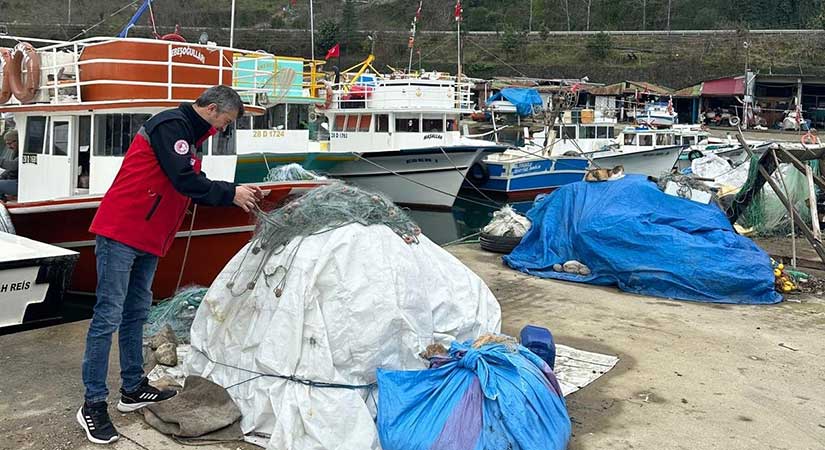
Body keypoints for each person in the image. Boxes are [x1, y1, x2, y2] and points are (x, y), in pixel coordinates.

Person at [77, 86, 264, 445]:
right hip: (122, 232)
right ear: (211, 109)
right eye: (225, 122)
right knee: (107, 316)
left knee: (136, 313)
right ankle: (93, 404)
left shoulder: (192, 135)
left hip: (149, 238)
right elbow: (183, 179)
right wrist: (231, 192)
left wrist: (238, 192)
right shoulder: (170, 126)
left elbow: (190, 184)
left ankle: (132, 387)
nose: (224, 129)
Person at [0, 129, 18, 200]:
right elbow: (10, 170)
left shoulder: (23, 151)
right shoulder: (16, 152)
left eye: (10, 143)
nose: (9, 147)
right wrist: (2, 176)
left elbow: (13, 166)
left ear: (17, 141)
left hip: (20, 184)